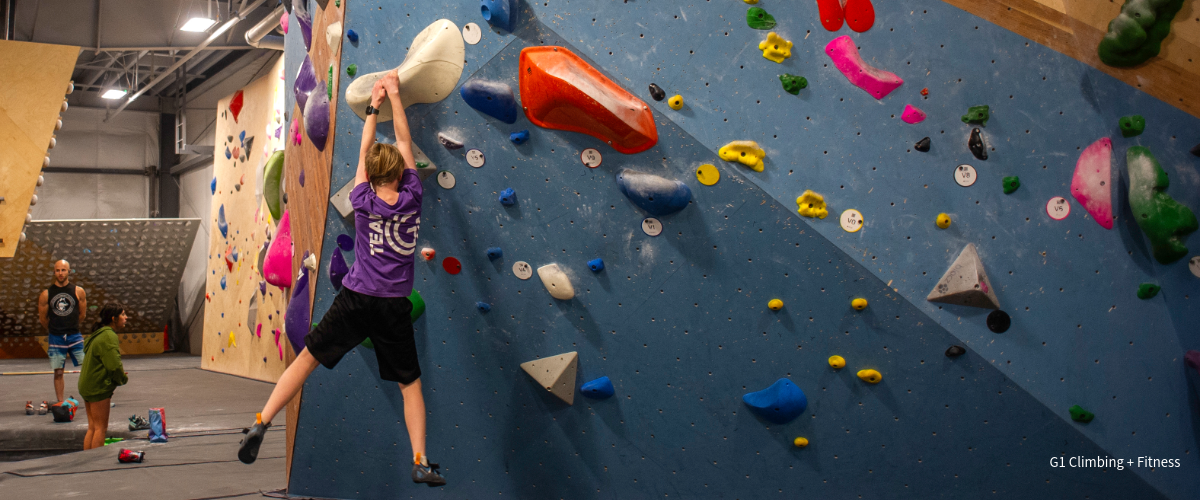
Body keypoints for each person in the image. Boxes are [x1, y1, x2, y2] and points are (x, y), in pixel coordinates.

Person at [237, 70, 444, 486]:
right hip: (392, 305)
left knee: (308, 358)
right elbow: (404, 143)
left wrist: (374, 105)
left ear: (369, 174)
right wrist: (397, 97)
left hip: (355, 298)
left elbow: (367, 148)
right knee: (409, 385)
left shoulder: (361, 198)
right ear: (402, 175)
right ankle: (420, 459)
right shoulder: (412, 197)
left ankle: (261, 421)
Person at [78, 304, 128, 450]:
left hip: (86, 384)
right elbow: (114, 365)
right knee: (100, 429)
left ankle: (87, 461)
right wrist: (122, 379)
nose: (126, 318)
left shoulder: (99, 334)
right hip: (97, 386)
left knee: (92, 427)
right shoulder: (108, 335)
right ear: (113, 318)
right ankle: (95, 464)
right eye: (123, 314)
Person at [38, 260, 87, 404]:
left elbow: (82, 315)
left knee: (87, 368)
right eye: (58, 270)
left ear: (69, 271)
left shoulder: (78, 291)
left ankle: (90, 398)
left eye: (63, 270)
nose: (60, 273)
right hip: (56, 338)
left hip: (75, 336)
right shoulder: (46, 294)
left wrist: (69, 326)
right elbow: (43, 319)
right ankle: (60, 402)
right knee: (58, 372)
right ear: (54, 272)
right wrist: (56, 329)